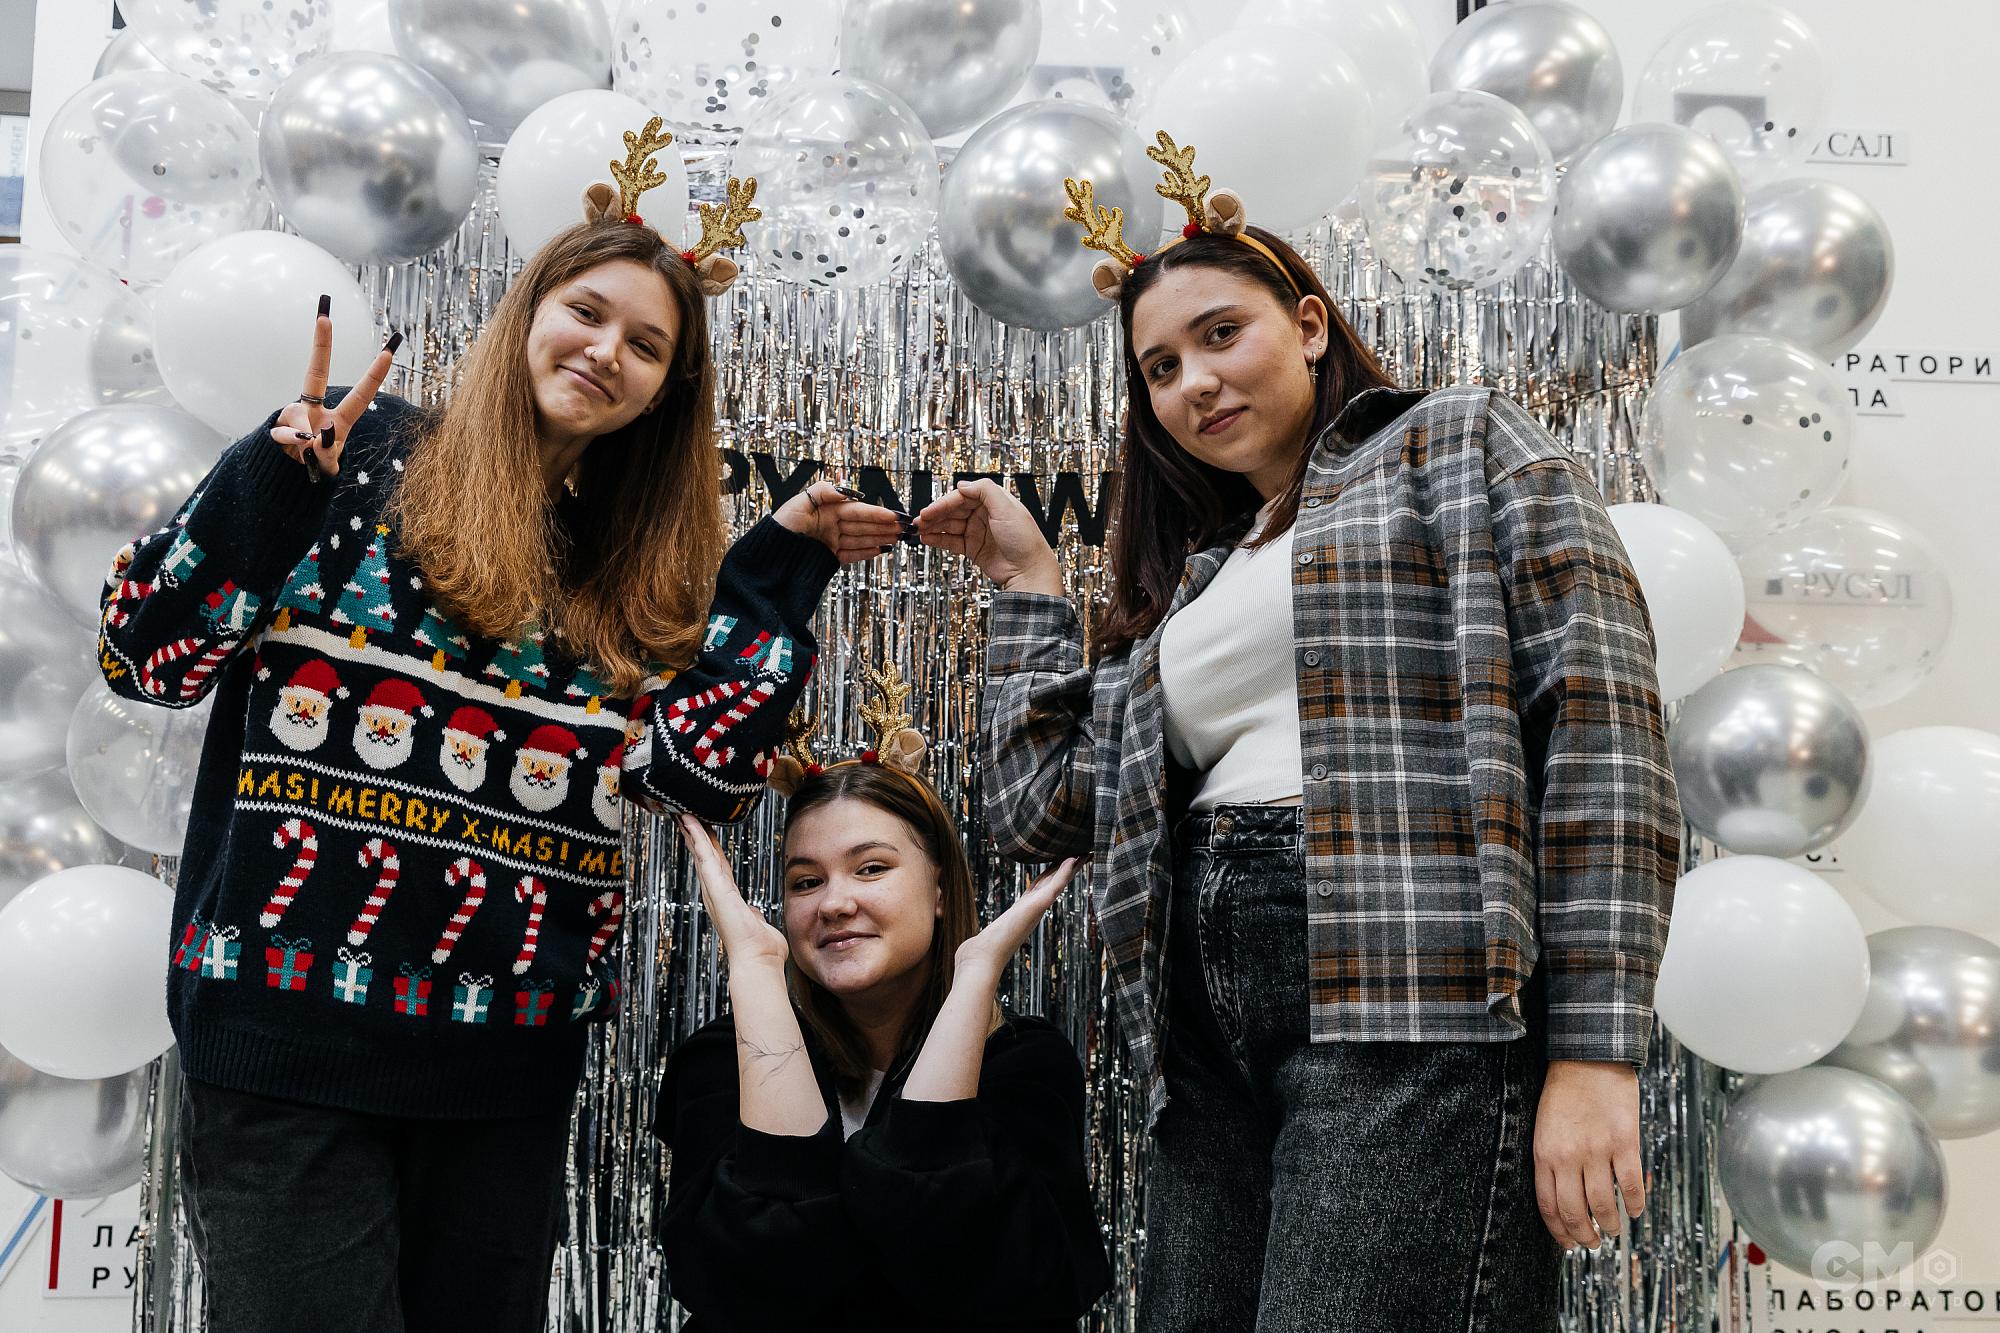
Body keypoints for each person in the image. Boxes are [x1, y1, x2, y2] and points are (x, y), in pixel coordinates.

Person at [96, 137, 904, 1332]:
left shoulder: (628, 577)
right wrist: (270, 487)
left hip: (503, 1071)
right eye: (587, 312)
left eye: (647, 347)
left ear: (665, 393)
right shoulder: (355, 457)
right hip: (287, 1040)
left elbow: (692, 772)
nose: (607, 351)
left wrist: (775, 571)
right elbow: (146, 658)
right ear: (528, 312)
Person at [915, 133, 1681, 1330]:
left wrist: (1593, 1050)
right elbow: (1035, 809)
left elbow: (1602, 735)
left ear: (1309, 325)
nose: (1193, 382)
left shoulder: (1454, 444)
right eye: (1159, 368)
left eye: (1220, 333)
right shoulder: (1195, 584)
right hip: (1201, 1044)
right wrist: (1026, 586)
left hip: (1406, 996)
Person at [654, 687, 1112, 1331]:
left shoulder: (1023, 1063)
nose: (834, 903)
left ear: (939, 890)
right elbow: (746, 1286)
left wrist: (974, 979)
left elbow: (1017, 1290)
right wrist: (755, 970)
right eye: (806, 881)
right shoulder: (717, 1062)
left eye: (870, 869)